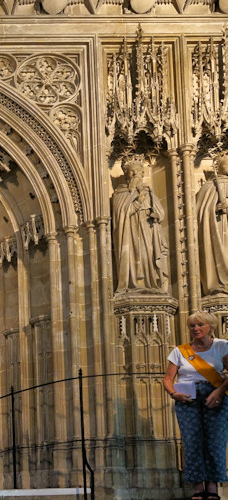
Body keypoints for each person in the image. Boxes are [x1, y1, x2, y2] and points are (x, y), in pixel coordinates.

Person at [163, 311, 228, 500]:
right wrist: (174, 394)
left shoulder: (221, 346)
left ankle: (213, 486)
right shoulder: (180, 351)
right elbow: (168, 379)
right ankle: (198, 486)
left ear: (211, 326)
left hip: (215, 395)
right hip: (188, 397)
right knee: (192, 442)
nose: (196, 329)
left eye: (200, 325)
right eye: (192, 325)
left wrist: (218, 391)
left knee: (215, 441)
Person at [112, 155, 169, 293]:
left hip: (148, 232)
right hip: (130, 235)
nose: (136, 174)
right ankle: (133, 284)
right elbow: (121, 217)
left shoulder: (148, 192)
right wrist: (138, 202)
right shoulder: (120, 194)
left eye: (139, 171)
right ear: (126, 174)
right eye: (132, 171)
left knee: (148, 257)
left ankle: (151, 284)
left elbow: (160, 212)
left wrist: (156, 215)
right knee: (133, 258)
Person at [197, 152, 228, 295]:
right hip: (219, 229)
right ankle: (219, 283)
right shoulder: (210, 186)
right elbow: (198, 213)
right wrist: (215, 209)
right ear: (219, 167)